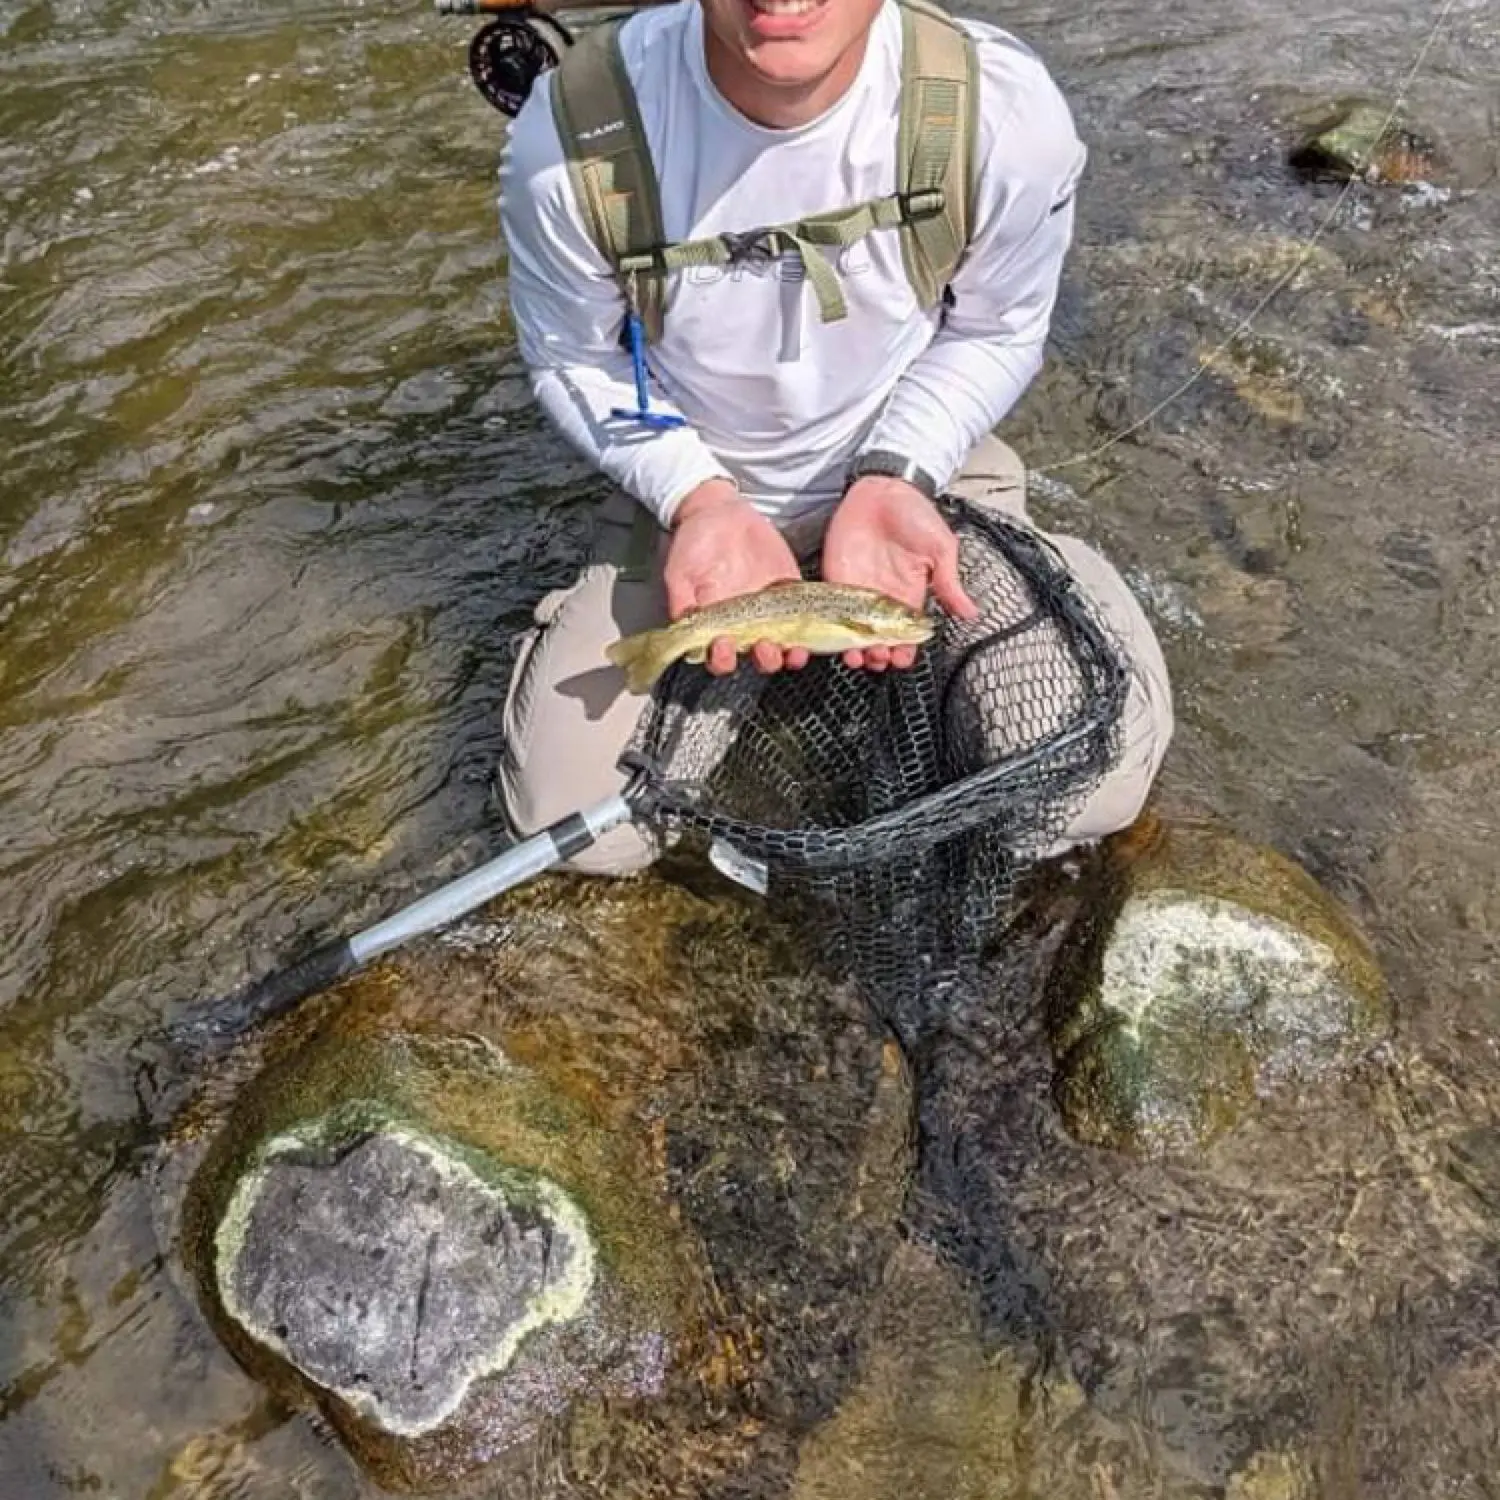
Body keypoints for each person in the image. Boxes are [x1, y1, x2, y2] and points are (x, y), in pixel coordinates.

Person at [496, 0, 1172, 875]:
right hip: (691, 499)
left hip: (923, 472)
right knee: (583, 835)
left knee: (1086, 790)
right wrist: (693, 495)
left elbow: (1000, 330)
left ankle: (1057, 572)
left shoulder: (1001, 111)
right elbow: (572, 359)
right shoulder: (572, 139)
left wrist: (895, 475)